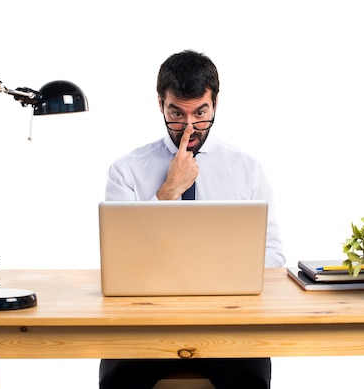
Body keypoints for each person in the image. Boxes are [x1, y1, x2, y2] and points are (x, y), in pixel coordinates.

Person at [100, 50, 285, 389]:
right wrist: (169, 190)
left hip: (229, 323)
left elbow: (273, 257)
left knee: (250, 381)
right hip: (145, 322)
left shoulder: (246, 169)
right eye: (176, 113)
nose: (189, 127)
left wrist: (221, 273)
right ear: (160, 104)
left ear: (215, 104)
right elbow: (121, 260)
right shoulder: (126, 170)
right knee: (117, 380)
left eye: (200, 113)